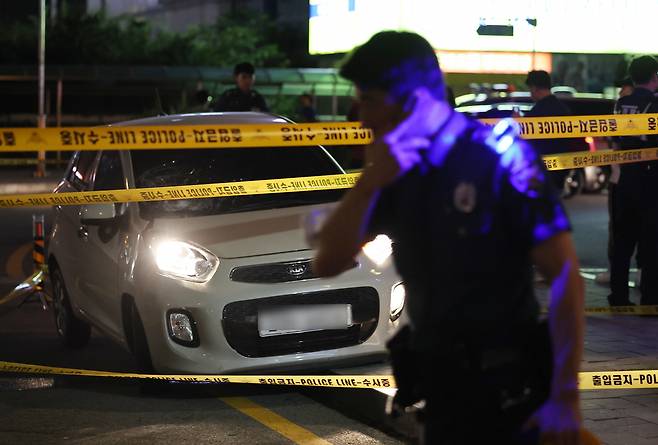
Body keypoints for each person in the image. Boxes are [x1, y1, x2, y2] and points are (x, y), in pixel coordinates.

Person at [311, 31, 585, 444]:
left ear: (411, 96)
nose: (360, 116)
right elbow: (327, 261)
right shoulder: (396, 169)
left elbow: (566, 277)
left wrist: (565, 398)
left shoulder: (500, 159)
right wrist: (371, 182)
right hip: (440, 400)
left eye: (368, 98)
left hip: (511, 399)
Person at [608, 56, 658, 306]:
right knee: (650, 245)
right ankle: (650, 299)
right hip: (650, 182)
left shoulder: (621, 104)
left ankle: (618, 296)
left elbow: (615, 141)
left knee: (623, 243)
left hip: (625, 179)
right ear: (654, 76)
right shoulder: (654, 104)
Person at [525, 70, 583, 193]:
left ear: (534, 88)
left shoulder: (536, 113)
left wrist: (519, 122)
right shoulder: (563, 110)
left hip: (540, 171)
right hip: (560, 170)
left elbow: (527, 141)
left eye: (530, 89)